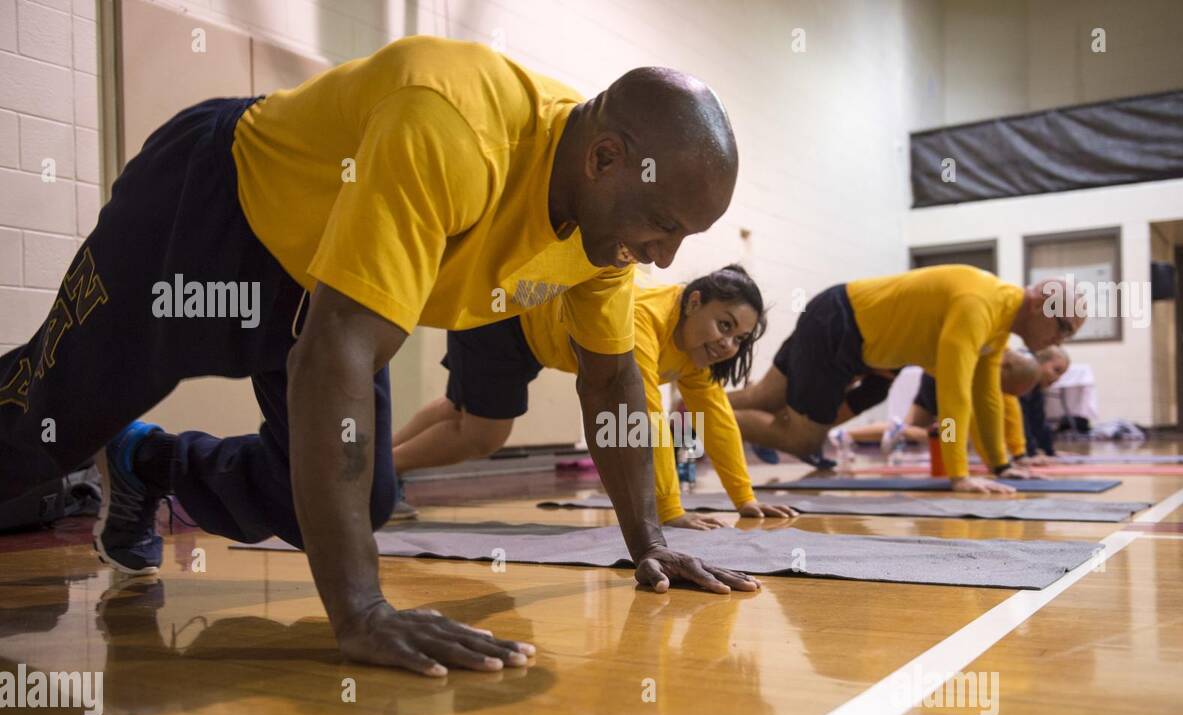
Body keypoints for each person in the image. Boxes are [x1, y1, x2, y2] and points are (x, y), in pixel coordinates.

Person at [0, 36, 759, 678]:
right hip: (213, 208)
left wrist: (650, 544)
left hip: (324, 287)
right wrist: (361, 610)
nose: (665, 259)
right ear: (604, 159)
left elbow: (611, 377)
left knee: (352, 502)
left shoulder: (608, 228)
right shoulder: (456, 127)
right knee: (36, 430)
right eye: (665, 227)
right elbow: (333, 356)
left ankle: (144, 465)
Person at [392, 266, 797, 529]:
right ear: (694, 301)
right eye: (723, 325)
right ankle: (378, 474)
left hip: (530, 332)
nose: (727, 343)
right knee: (482, 436)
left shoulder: (696, 349)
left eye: (739, 338)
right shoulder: (643, 317)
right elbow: (644, 421)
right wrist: (670, 510)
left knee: (458, 411)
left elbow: (716, 417)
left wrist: (744, 498)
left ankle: (373, 464)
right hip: (505, 313)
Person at [727, 265, 1086, 494]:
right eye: (1063, 327)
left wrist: (1003, 465)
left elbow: (986, 397)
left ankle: (691, 411)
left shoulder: (998, 325)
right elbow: (954, 391)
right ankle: (695, 419)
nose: (1060, 340)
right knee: (802, 438)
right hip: (840, 323)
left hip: (838, 314)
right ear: (1040, 302)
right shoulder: (981, 303)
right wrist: (958, 475)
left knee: (763, 397)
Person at [848, 349, 1041, 465]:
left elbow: (1010, 415)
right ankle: (900, 431)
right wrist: (1001, 464)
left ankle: (846, 435)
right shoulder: (985, 368)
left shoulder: (996, 358)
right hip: (942, 381)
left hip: (934, 375)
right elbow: (975, 421)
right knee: (947, 436)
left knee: (912, 427)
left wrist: (1017, 454)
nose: (1004, 394)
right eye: (1006, 389)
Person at [1020, 345, 1070, 462]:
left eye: (1061, 374)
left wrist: (1049, 451)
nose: (1057, 378)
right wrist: (1030, 453)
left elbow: (1038, 421)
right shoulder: (1022, 381)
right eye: (1056, 370)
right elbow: (1021, 422)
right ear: (1039, 362)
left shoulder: (1036, 388)